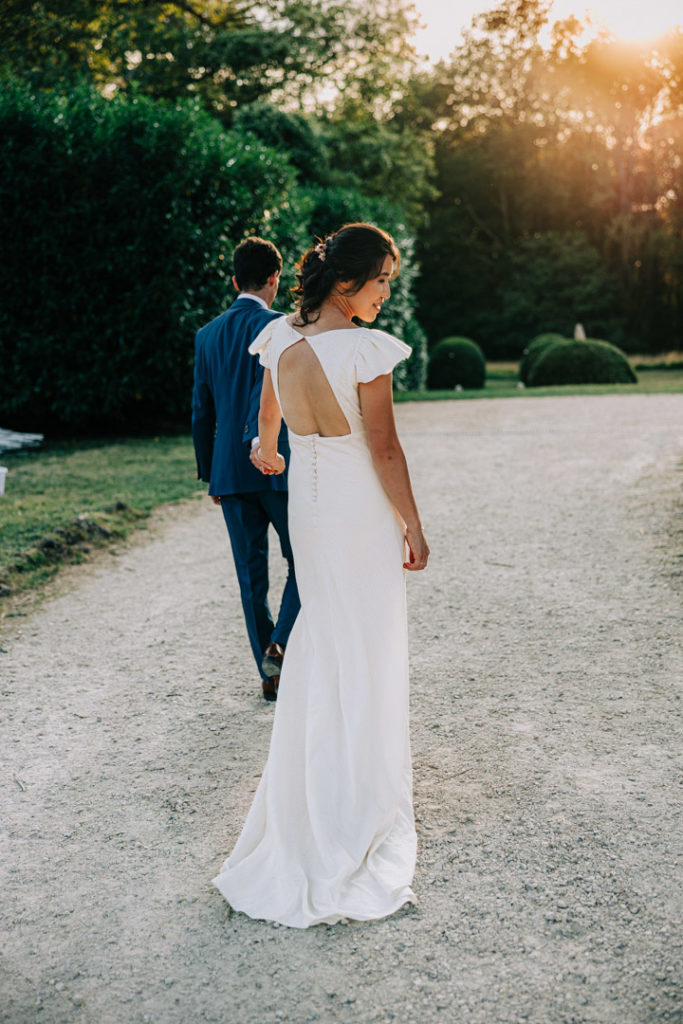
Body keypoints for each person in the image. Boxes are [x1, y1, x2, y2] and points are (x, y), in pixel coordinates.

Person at [213, 223, 430, 927]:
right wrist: (413, 524)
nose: (384, 294)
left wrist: (266, 446)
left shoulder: (278, 335)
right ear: (347, 282)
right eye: (380, 282)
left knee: (325, 638)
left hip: (308, 505)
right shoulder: (363, 348)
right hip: (354, 508)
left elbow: (268, 408)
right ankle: (355, 796)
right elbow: (385, 447)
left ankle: (315, 786)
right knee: (364, 643)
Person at [192, 236, 300, 701]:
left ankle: (269, 672)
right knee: (305, 561)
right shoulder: (283, 328)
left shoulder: (207, 335)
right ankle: (281, 644)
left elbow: (202, 411)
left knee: (249, 575)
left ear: (235, 280)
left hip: (230, 474)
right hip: (279, 466)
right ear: (274, 279)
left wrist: (208, 473)